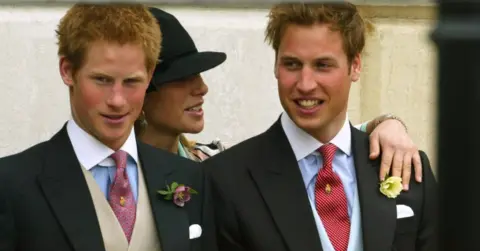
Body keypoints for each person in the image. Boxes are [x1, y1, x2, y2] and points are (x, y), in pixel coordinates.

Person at [204, 2, 437, 251]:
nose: (305, 84)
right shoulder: (226, 179)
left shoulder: (407, 167)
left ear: (356, 66)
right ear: (276, 66)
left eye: (323, 65)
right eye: (292, 64)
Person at [0, 4, 218, 251]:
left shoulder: (189, 176)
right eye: (102, 80)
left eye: (131, 82)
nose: (117, 100)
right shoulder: (12, 184)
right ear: (68, 71)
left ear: (150, 77)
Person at [137, 7, 422, 189]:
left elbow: (326, 146)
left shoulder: (209, 161)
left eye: (323, 65)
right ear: (141, 90)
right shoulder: (116, 174)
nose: (201, 88)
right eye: (180, 78)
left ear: (355, 66)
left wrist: (386, 123)